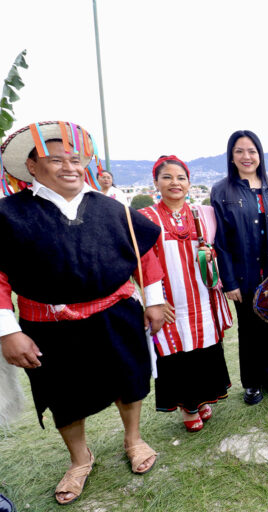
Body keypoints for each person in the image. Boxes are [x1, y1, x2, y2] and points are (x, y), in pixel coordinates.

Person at [0, 121, 164, 505]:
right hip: (49, 326)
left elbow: (144, 256)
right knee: (65, 396)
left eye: (74, 159)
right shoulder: (8, 215)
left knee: (130, 379)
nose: (69, 167)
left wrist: (153, 300)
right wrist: (7, 330)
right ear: (32, 167)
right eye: (55, 160)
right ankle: (79, 459)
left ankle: (134, 439)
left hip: (117, 314)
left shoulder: (113, 208)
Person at [139, 155, 233, 432]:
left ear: (189, 183)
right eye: (167, 177)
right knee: (177, 352)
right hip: (171, 299)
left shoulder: (204, 214)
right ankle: (187, 406)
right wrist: (154, 301)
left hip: (203, 296)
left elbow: (220, 248)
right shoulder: (146, 218)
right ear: (156, 182)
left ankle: (202, 397)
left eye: (180, 178)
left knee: (205, 348)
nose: (174, 183)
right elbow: (142, 261)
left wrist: (211, 256)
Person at [211, 130, 268, 405]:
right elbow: (220, 241)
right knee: (249, 328)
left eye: (252, 151)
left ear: (260, 155)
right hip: (243, 275)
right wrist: (229, 282)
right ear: (231, 157)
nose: (247, 156)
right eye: (240, 151)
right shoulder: (222, 191)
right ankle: (252, 382)